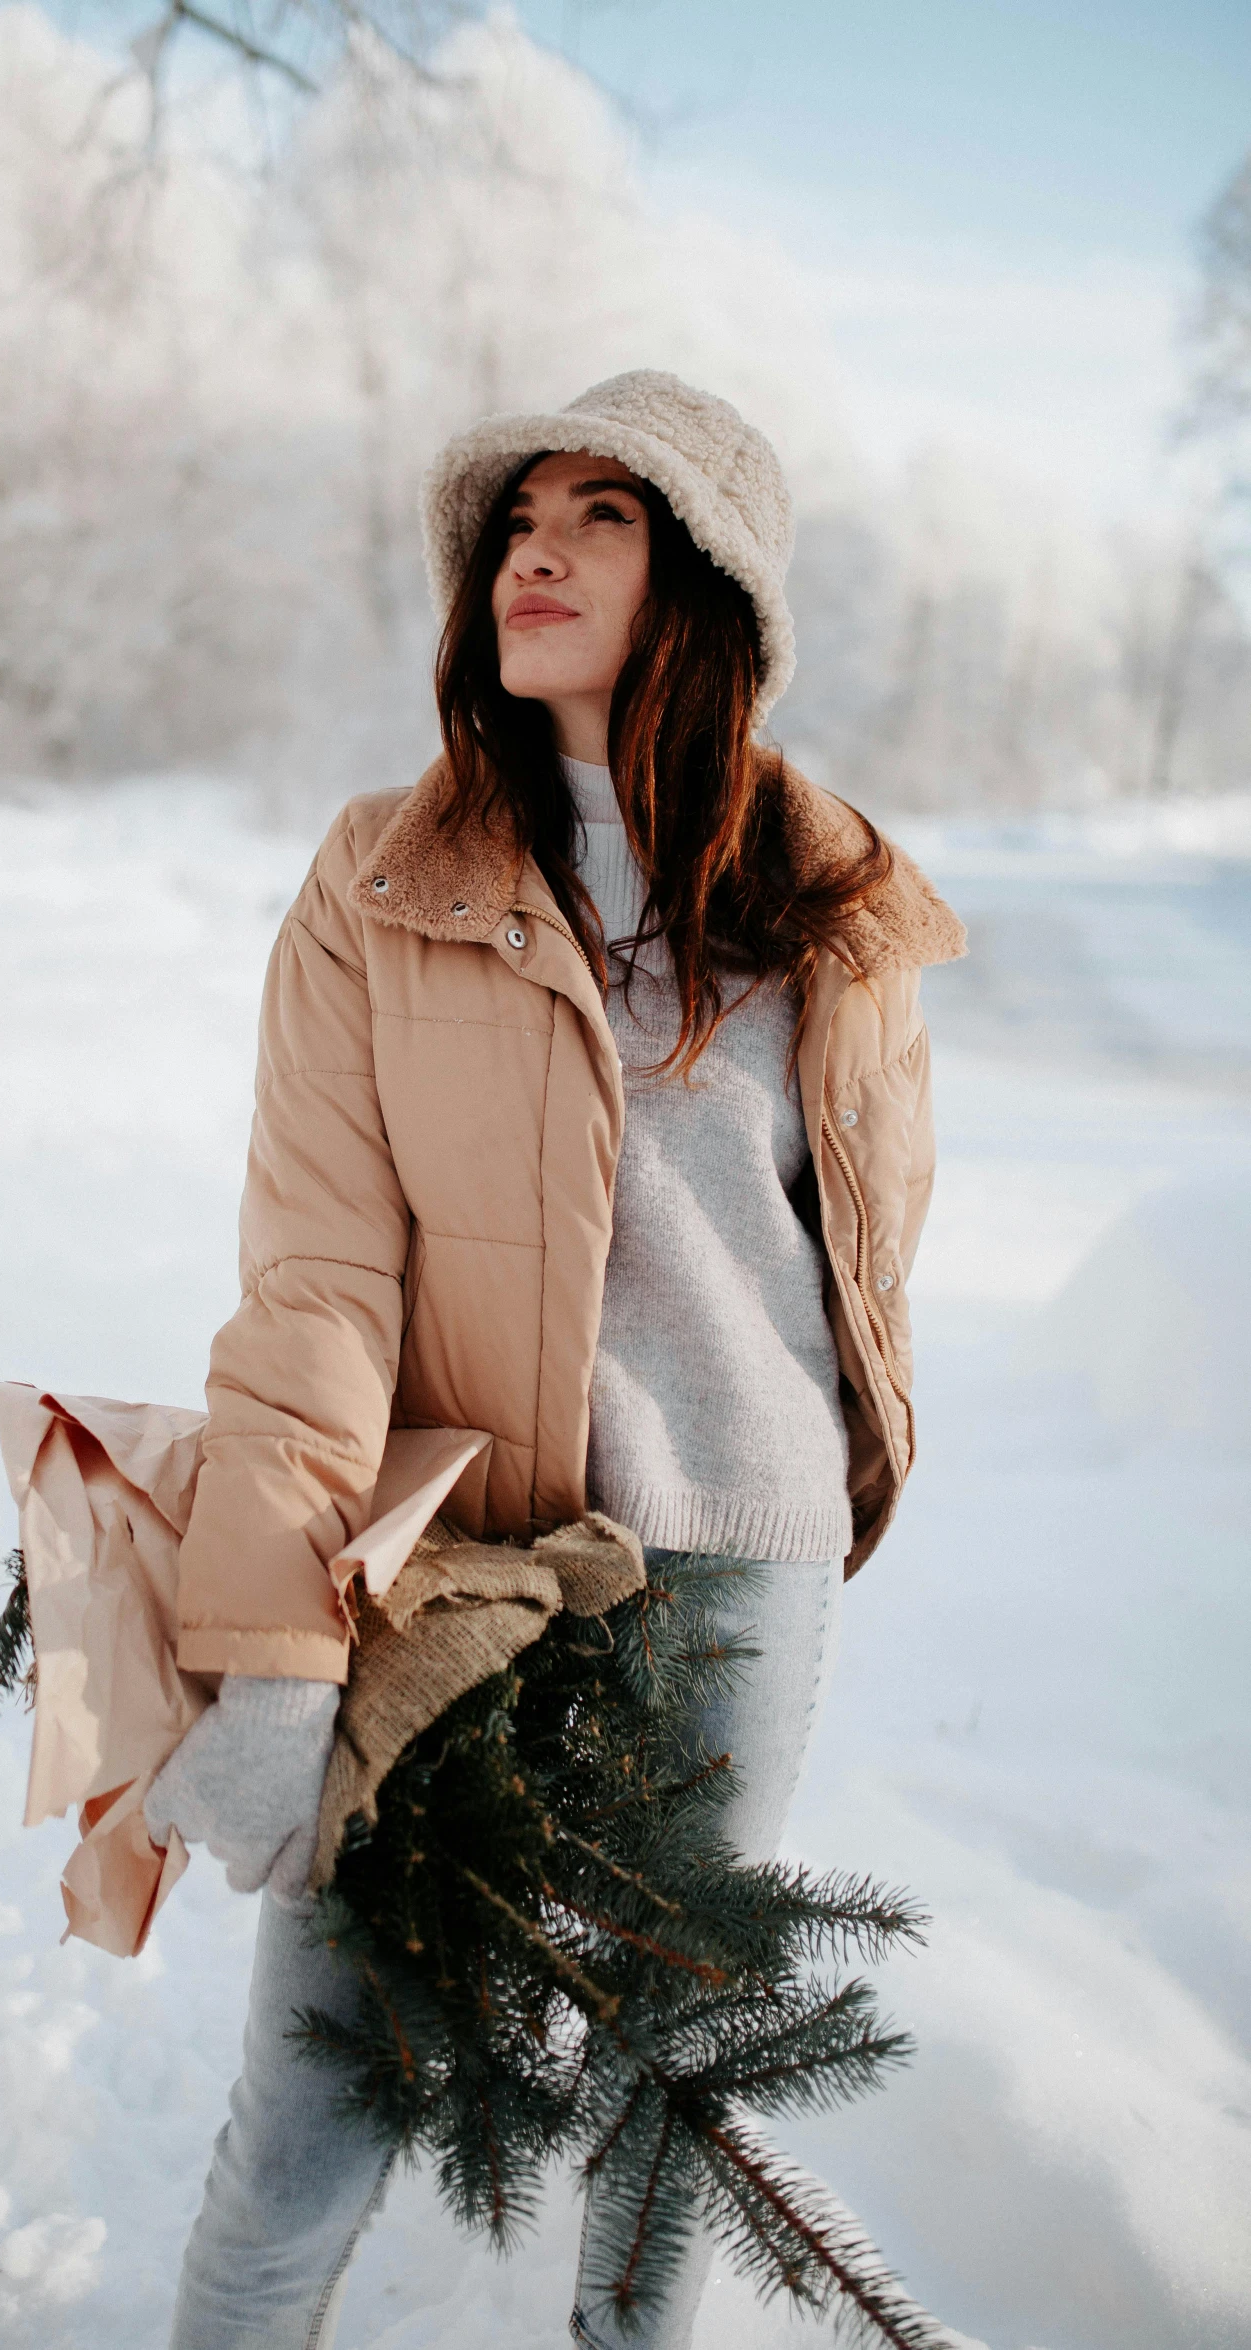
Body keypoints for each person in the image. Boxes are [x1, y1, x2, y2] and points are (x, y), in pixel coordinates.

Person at [142, 369, 966, 2349]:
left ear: (708, 588)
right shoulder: (380, 880)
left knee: (672, 2113)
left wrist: (815, 1467)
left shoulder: (831, 895)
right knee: (314, 2103)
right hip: (461, 1562)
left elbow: (864, 1235)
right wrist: (272, 1644)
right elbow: (319, 1274)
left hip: (733, 1568)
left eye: (602, 514)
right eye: (521, 519)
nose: (536, 550)